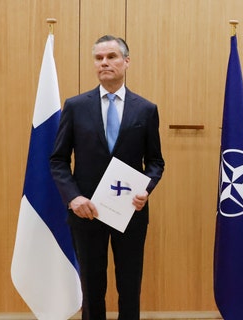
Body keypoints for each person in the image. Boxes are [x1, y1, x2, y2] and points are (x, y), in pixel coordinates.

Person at [50, 35, 165, 320]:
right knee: (92, 287)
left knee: (129, 286)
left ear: (126, 62)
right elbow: (58, 160)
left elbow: (155, 162)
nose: (104, 63)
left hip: (130, 212)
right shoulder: (75, 107)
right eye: (99, 58)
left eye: (111, 57)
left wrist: (146, 189)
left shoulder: (146, 109)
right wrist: (73, 198)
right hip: (86, 211)